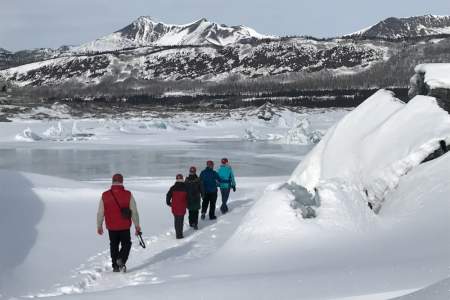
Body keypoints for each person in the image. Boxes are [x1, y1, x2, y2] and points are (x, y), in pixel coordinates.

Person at [97, 174, 141, 273]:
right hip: (124, 225)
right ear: (122, 181)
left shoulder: (105, 195)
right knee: (126, 244)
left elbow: (100, 212)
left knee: (114, 245)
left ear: (112, 181)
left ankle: (115, 266)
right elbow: (134, 211)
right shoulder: (128, 194)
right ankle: (121, 259)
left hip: (111, 226)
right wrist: (137, 225)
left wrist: (99, 225)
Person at [166, 174, 188, 239]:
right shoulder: (185, 187)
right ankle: (180, 235)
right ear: (182, 179)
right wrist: (187, 204)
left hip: (174, 207)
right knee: (181, 220)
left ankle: (178, 234)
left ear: (176, 179)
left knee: (176, 220)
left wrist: (168, 203)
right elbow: (188, 197)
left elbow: (168, 195)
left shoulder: (173, 187)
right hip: (182, 207)